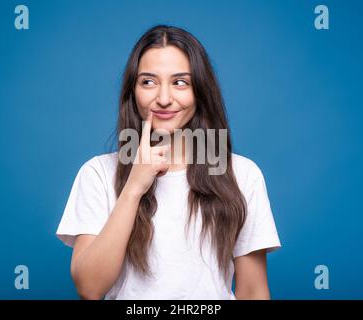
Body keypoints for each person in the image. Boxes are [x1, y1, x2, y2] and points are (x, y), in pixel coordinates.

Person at [56, 25, 281, 300]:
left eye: (180, 82)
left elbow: (253, 291)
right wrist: (133, 188)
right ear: (133, 91)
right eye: (148, 82)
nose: (163, 99)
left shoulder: (242, 174)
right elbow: (90, 288)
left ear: (200, 91)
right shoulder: (98, 173)